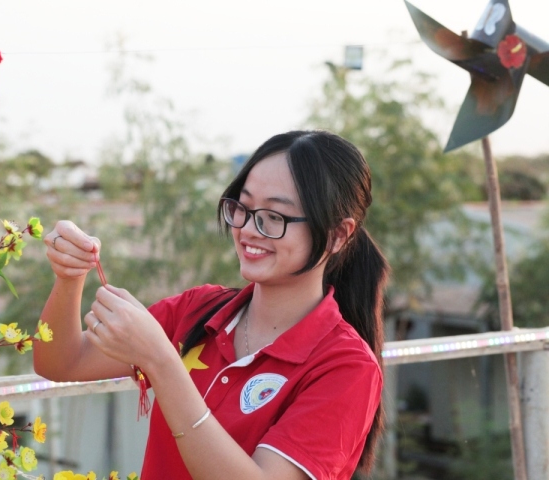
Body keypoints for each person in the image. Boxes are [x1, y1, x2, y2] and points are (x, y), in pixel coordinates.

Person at [34, 130, 389, 480]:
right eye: (243, 208)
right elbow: (61, 362)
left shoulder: (346, 365)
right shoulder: (198, 310)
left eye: (275, 217)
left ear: (338, 235)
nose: (249, 229)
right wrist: (70, 276)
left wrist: (161, 361)